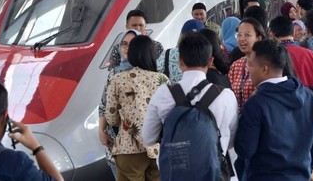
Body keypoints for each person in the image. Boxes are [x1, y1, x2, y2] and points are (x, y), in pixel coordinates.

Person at [143, 32, 238, 177]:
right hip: (213, 173)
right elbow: (231, 141)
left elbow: (148, 138)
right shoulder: (225, 96)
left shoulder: (163, 93)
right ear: (210, 61)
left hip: (174, 174)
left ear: (180, 61)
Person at [234, 40, 313, 181]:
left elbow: (245, 149)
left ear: (264, 69)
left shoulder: (256, 104)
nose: (248, 69)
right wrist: (306, 169)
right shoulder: (308, 96)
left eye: (250, 64)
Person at [106, 36, 170, 181]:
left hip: (128, 148)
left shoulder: (118, 79)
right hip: (158, 148)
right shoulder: (163, 80)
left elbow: (111, 118)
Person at [99, 29, 139, 177]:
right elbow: (103, 104)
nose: (127, 48)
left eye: (132, 44)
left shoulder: (147, 73)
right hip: (114, 145)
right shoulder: (113, 73)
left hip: (138, 149)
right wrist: (101, 130)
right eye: (124, 44)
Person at [269, 15, 313, 94]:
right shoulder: (311, 55)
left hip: (280, 103)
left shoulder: (269, 56)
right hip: (307, 103)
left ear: (273, 34)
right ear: (293, 32)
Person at [227, 18, 267, 109]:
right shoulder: (236, 65)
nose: (241, 39)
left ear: (259, 38)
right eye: (239, 35)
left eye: (247, 35)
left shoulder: (266, 64)